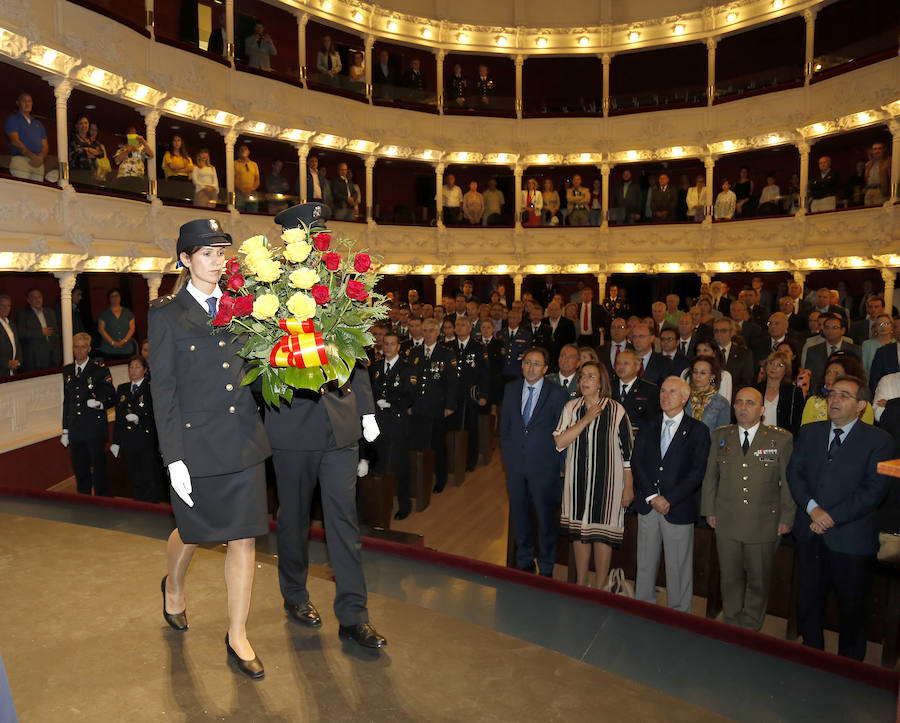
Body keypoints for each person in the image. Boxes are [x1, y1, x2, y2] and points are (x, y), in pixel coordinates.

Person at [150, 218, 271, 678]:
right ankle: (174, 585)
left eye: (222, 252)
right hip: (195, 442)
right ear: (185, 259)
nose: (217, 261)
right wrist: (173, 455)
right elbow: (163, 388)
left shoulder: (244, 306)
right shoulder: (166, 313)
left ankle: (237, 632)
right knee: (194, 531)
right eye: (206, 253)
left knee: (243, 536)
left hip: (241, 438)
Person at [265, 203, 386, 650]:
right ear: (289, 241)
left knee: (344, 523)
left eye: (319, 235)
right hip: (292, 425)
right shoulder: (269, 288)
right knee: (294, 520)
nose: (315, 242)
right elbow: (258, 358)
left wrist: (367, 410)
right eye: (306, 235)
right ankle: (295, 594)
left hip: (339, 426)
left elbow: (357, 349)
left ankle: (354, 615)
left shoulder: (340, 285)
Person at [788, 375, 893, 659]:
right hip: (810, 531)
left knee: (852, 607)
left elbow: (873, 491)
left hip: (851, 539)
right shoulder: (810, 432)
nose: (834, 400)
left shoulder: (880, 441)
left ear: (860, 405)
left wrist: (830, 516)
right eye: (832, 394)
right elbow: (794, 475)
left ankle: (849, 665)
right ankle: (811, 654)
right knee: (809, 600)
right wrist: (813, 509)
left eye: (843, 395)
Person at [701, 387, 795, 630]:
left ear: (762, 410)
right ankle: (732, 621)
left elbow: (787, 482)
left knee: (758, 579)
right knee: (729, 577)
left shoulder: (780, 439)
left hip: (763, 522)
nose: (743, 407)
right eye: (739, 402)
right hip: (727, 519)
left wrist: (787, 516)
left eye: (750, 403)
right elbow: (711, 477)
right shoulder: (720, 436)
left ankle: (752, 625)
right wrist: (709, 509)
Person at [633, 377, 712, 611]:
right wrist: (651, 496)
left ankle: (679, 614)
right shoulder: (649, 425)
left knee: (678, 568)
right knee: (645, 563)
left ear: (685, 397)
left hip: (677, 508)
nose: (665, 396)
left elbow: (698, 472)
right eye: (663, 391)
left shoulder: (698, 430)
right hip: (648, 506)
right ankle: (643, 607)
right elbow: (637, 462)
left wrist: (669, 499)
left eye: (672, 392)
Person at [553, 360, 633, 587]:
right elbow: (560, 441)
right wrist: (587, 419)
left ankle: (600, 586)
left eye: (591, 376)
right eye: (583, 376)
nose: (585, 380)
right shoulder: (572, 407)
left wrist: (628, 487)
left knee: (602, 533)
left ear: (601, 383)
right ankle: (580, 582)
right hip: (576, 481)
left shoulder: (616, 410)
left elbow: (627, 454)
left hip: (607, 483)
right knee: (579, 531)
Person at [501, 347, 568, 576]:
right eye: (527, 362)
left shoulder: (557, 393)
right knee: (519, 515)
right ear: (522, 365)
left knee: (545, 519)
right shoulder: (511, 389)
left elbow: (562, 432)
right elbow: (505, 429)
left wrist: (560, 467)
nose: (531, 367)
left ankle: (547, 565)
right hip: (516, 466)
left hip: (545, 468)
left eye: (536, 363)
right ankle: (524, 561)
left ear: (546, 369)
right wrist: (508, 461)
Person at [60, 331, 115, 497]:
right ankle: (83, 501)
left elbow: (111, 396)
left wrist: (99, 404)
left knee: (98, 469)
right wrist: (65, 429)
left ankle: (102, 500)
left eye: (83, 347)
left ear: (89, 349)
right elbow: (67, 401)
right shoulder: (68, 370)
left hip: (93, 427)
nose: (79, 351)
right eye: (76, 347)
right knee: (80, 468)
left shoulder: (99, 370)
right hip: (76, 427)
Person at [407, 318, 458, 493]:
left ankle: (440, 479)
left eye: (430, 331)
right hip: (418, 407)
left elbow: (452, 382)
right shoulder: (414, 352)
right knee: (419, 444)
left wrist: (450, 406)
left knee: (437, 445)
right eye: (425, 330)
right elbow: (410, 381)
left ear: (437, 333)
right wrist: (409, 404)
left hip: (438, 407)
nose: (427, 334)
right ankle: (421, 478)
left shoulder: (446, 353)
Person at [368, 331, 415, 519]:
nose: (388, 347)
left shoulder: (407, 368)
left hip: (397, 421)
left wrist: (391, 404)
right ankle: (378, 503)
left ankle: (405, 505)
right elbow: (369, 389)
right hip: (378, 422)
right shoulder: (376, 367)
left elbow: (410, 395)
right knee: (377, 463)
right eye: (385, 343)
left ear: (398, 347)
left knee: (400, 465)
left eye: (392, 344)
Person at [110, 354, 162, 503]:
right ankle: (139, 505)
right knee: (134, 475)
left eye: (137, 367)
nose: (133, 371)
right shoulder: (122, 388)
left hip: (145, 439)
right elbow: (119, 418)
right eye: (131, 367)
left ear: (145, 370)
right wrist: (116, 441)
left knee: (149, 474)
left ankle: (152, 506)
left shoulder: (151, 389)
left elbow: (155, 414)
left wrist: (140, 418)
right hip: (128, 439)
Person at [452, 316, 490, 471]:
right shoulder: (449, 346)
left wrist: (484, 395)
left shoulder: (478, 347)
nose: (459, 327)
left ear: (469, 329)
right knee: (453, 428)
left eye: (463, 325)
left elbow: (485, 374)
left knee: (471, 428)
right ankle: (454, 459)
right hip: (453, 396)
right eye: (457, 324)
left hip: (470, 395)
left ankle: (470, 461)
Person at [801, 354, 875, 425]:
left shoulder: (862, 405)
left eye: (837, 373)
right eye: (828, 373)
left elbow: (865, 434)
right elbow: (806, 432)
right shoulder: (813, 401)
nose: (830, 377)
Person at [805, 313, 861, 391]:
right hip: (819, 393)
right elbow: (810, 376)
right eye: (827, 327)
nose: (830, 331)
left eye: (835, 328)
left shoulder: (854, 350)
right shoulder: (813, 350)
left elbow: (858, 375)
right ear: (823, 330)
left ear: (843, 330)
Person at [755, 350, 805, 436]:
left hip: (782, 439)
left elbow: (797, 421)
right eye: (771, 363)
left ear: (786, 370)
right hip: (757, 437)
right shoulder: (755, 389)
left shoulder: (794, 392)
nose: (774, 367)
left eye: (780, 365)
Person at [613, 348, 659, 439]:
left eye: (626, 363)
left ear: (637, 367)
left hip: (638, 439)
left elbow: (653, 421)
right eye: (618, 363)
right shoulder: (608, 386)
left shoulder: (649, 390)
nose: (621, 366)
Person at [5, 92, 48, 181]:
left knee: (38, 193)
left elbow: (45, 145)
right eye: (24, 101)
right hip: (21, 160)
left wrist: (40, 157)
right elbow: (15, 141)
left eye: (29, 101)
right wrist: (32, 156)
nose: (27, 103)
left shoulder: (38, 123)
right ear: (18, 103)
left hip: (38, 163)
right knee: (23, 192)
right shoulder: (13, 118)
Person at [16, 288, 59, 371]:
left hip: (52, 357)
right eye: (34, 297)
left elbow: (56, 334)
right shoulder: (22, 314)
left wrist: (58, 354)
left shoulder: (50, 312)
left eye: (39, 297)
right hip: (34, 359)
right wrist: (41, 332)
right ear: (28, 300)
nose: (37, 300)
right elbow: (21, 333)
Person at [685, 355, 731, 431]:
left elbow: (722, 434)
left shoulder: (721, 403)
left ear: (712, 376)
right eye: (695, 372)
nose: (697, 376)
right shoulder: (684, 398)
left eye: (703, 373)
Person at [97, 288, 136, 360]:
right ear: (109, 299)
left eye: (117, 296)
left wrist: (124, 341)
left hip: (126, 349)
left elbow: (132, 328)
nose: (115, 298)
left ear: (120, 297)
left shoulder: (128, 312)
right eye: (112, 296)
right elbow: (101, 329)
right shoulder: (104, 314)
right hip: (109, 349)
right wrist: (112, 342)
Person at [113, 125, 153, 193]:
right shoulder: (122, 148)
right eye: (130, 133)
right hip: (123, 178)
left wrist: (143, 141)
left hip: (137, 179)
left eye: (134, 133)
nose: (133, 135)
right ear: (127, 136)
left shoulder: (141, 148)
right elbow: (116, 160)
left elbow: (151, 155)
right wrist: (127, 151)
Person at [68, 113, 102, 186]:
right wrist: (90, 151)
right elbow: (76, 153)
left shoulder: (92, 140)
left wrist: (86, 149)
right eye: (81, 123)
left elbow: (101, 154)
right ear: (76, 126)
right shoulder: (73, 138)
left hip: (92, 176)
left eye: (86, 123)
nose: (84, 126)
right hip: (78, 175)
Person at [233, 144, 260, 212]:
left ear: (249, 152)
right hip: (239, 193)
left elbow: (257, 180)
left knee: (253, 213)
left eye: (245, 149)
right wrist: (242, 190)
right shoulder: (234, 163)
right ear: (238, 152)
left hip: (252, 192)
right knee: (238, 213)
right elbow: (232, 179)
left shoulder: (254, 164)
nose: (243, 151)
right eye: (241, 149)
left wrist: (251, 189)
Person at [864, 142, 891, 206]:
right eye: (875, 149)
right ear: (872, 151)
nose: (877, 151)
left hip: (881, 190)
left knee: (880, 213)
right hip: (869, 191)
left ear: (883, 150)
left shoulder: (888, 161)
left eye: (879, 149)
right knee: (868, 213)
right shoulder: (868, 164)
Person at [0, 294, 21, 376]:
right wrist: (6, 363)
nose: (6, 308)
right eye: (3, 305)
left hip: (13, 371)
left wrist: (18, 362)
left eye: (8, 306)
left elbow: (18, 346)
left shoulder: (12, 325)